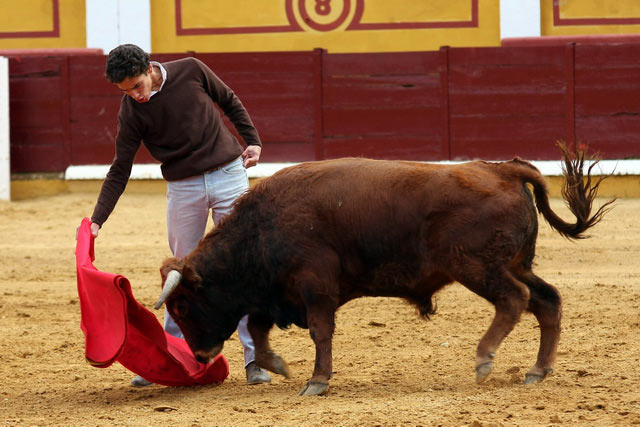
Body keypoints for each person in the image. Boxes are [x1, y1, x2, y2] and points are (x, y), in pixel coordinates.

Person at [85, 44, 271, 387]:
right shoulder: (132, 110)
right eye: (125, 91)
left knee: (243, 264)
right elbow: (120, 168)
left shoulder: (191, 69)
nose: (135, 96)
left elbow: (228, 100)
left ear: (149, 69)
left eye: (137, 86)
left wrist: (253, 140)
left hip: (230, 174)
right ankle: (170, 357)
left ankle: (255, 360)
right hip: (184, 187)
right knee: (180, 272)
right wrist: (98, 219)